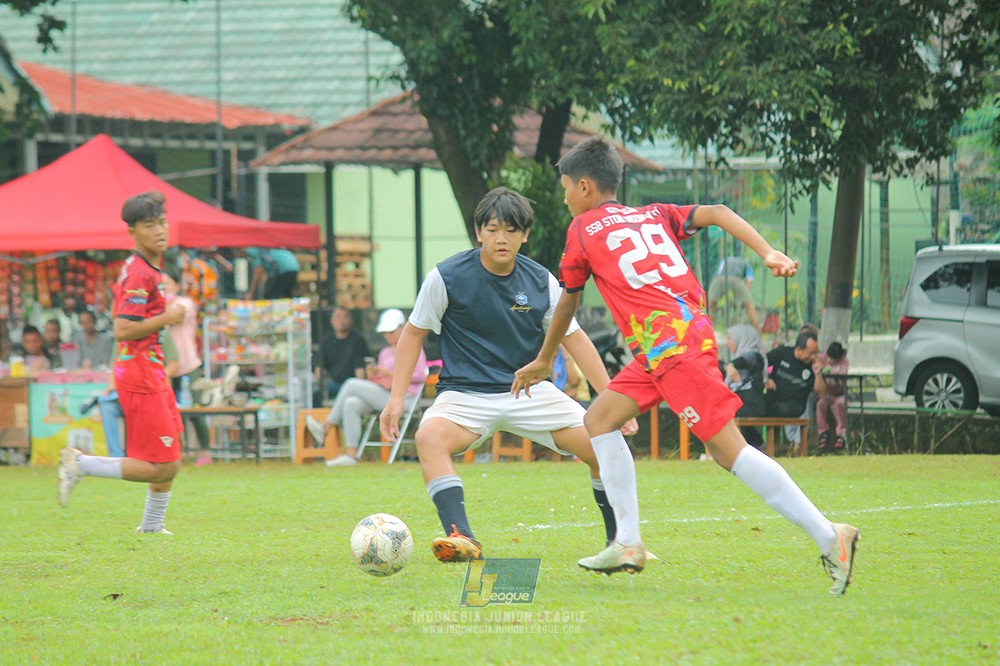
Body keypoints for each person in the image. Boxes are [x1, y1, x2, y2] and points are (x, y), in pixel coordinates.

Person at [512, 136, 859, 595]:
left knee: (728, 451)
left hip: (674, 350)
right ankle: (628, 542)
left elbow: (567, 304)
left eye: (564, 188)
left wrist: (542, 359)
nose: (563, 197)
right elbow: (716, 210)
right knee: (598, 418)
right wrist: (766, 251)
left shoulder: (583, 229)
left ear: (583, 186)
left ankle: (829, 536)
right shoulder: (652, 214)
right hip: (669, 344)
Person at [380, 186, 638, 565]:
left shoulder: (541, 280)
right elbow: (413, 334)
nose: (502, 238)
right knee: (429, 436)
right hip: (466, 395)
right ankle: (460, 536)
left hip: (529, 392)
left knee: (606, 443)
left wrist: (611, 400)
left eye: (512, 230)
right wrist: (397, 399)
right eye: (493, 228)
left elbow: (577, 339)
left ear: (525, 234)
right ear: (479, 231)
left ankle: (620, 543)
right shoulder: (446, 277)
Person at [57, 190, 187, 535]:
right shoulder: (140, 275)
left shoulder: (147, 269)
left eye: (161, 222)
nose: (159, 230)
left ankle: (151, 528)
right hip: (140, 372)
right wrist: (169, 316)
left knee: (173, 452)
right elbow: (123, 329)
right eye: (149, 224)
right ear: (132, 232)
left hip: (151, 369)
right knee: (163, 465)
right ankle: (80, 464)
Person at [306, 308, 427, 467]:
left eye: (391, 331)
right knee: (352, 403)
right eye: (384, 332)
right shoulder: (384, 352)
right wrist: (376, 375)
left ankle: (326, 427)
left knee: (351, 384)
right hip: (386, 395)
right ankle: (351, 455)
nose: (387, 335)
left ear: (402, 328)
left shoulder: (413, 347)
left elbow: (420, 376)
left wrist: (391, 374)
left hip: (406, 399)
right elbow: (384, 379)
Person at [163, 272, 211, 466]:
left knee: (197, 411)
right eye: (160, 285)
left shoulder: (185, 303)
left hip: (189, 365)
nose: (164, 287)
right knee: (169, 414)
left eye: (167, 283)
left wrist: (161, 311)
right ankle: (175, 453)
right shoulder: (157, 308)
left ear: (176, 286)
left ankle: (206, 452)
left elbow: (177, 317)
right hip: (167, 368)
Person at [721, 323, 767, 448]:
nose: (728, 342)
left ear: (740, 338)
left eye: (730, 338)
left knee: (722, 414)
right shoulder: (737, 358)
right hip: (742, 405)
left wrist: (731, 365)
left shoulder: (755, 356)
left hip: (751, 406)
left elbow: (747, 359)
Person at [313, 307, 370, 405]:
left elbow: (360, 370)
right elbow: (319, 368)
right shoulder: (327, 341)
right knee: (315, 395)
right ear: (332, 321)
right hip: (334, 383)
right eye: (338, 317)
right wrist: (319, 385)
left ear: (351, 321)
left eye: (345, 317)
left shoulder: (358, 341)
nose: (341, 320)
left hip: (352, 383)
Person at [765, 331, 826, 420]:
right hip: (774, 397)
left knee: (771, 410)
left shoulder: (813, 365)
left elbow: (821, 394)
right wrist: (766, 378)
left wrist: (818, 373)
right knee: (755, 407)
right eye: (810, 353)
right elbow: (761, 363)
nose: (813, 357)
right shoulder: (782, 353)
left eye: (815, 353)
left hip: (795, 404)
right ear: (798, 349)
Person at [707, 252, 762, 332]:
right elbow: (748, 282)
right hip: (736, 279)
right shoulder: (747, 264)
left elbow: (718, 273)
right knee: (749, 305)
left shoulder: (724, 260)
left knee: (710, 305)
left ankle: (707, 331)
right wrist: (745, 298)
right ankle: (759, 333)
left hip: (718, 279)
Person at [816, 341, 849, 452]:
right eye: (829, 357)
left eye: (833, 359)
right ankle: (823, 432)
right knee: (820, 404)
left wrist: (832, 371)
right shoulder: (822, 358)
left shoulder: (844, 362)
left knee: (839, 404)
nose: (829, 361)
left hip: (840, 393)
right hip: (827, 393)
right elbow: (815, 360)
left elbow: (843, 374)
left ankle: (841, 433)